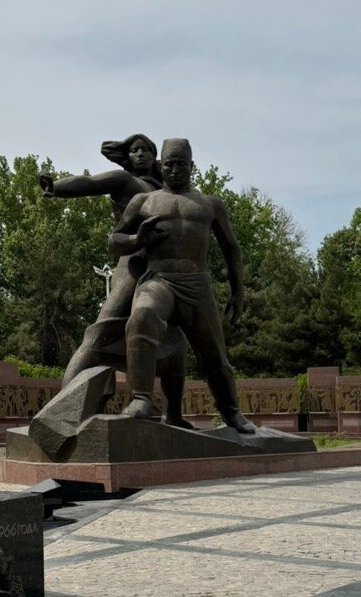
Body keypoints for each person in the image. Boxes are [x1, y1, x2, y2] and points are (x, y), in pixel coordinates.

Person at [39, 135, 191, 428]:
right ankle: (63, 406)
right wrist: (56, 188)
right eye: (134, 150)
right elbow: (90, 182)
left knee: (174, 341)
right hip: (132, 266)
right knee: (100, 333)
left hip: (166, 273)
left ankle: (174, 415)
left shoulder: (169, 189)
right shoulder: (126, 183)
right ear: (127, 156)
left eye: (147, 150)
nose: (141, 155)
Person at [108, 138, 255, 433]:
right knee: (142, 318)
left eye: (181, 165)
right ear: (162, 166)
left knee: (213, 350)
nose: (175, 170)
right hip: (157, 278)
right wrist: (138, 240)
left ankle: (232, 412)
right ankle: (141, 398)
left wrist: (238, 291)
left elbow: (232, 248)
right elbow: (114, 241)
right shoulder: (144, 201)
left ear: (192, 167)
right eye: (170, 164)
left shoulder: (210, 204)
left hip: (195, 283)